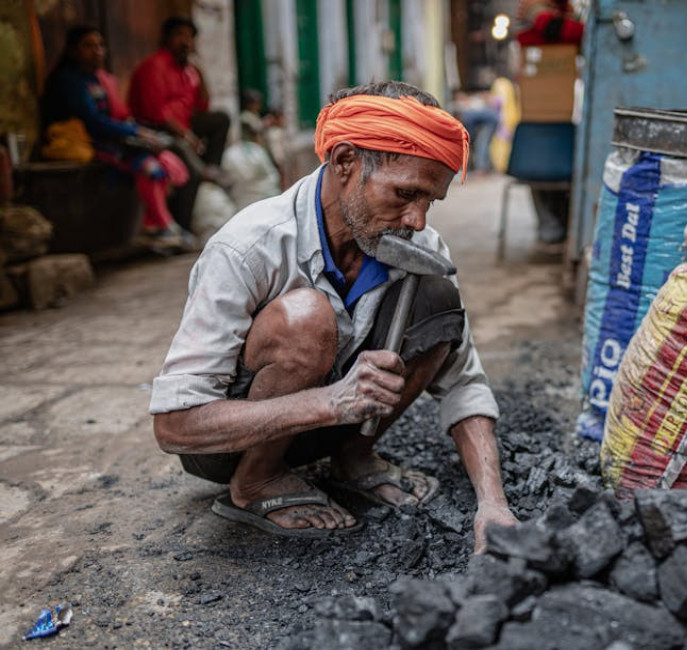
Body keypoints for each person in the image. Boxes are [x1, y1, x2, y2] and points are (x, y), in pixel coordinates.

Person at [149, 81, 519, 552]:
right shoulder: (249, 246)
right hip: (231, 442)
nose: (417, 220)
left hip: (335, 426)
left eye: (430, 201)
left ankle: (353, 458)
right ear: (345, 162)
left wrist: (493, 503)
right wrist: (329, 403)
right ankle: (257, 480)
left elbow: (463, 381)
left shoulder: (418, 246)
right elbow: (174, 425)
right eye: (405, 193)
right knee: (307, 317)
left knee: (437, 298)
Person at [40, 26, 191, 252]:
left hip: (109, 138)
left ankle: (157, 224)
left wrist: (136, 129)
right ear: (72, 51)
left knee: (162, 163)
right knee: (150, 168)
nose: (97, 51)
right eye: (88, 46)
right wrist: (134, 132)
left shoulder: (97, 79)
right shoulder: (69, 81)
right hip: (86, 144)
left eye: (100, 45)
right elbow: (92, 121)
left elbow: (115, 114)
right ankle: (161, 225)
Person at [128, 16, 231, 231]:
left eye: (190, 37)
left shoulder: (187, 71)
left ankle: (210, 168)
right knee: (191, 170)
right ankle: (182, 226)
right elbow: (156, 114)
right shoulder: (154, 67)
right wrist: (186, 135)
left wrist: (200, 74)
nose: (186, 42)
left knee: (221, 119)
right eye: (179, 35)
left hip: (182, 126)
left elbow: (202, 106)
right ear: (166, 38)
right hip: (155, 129)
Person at [515, 0, 584, 246]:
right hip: (539, 121)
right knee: (538, 168)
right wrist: (542, 18)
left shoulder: (573, 30)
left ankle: (559, 227)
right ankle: (551, 228)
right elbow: (527, 39)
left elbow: (577, 33)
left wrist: (541, 16)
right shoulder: (530, 37)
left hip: (568, 119)